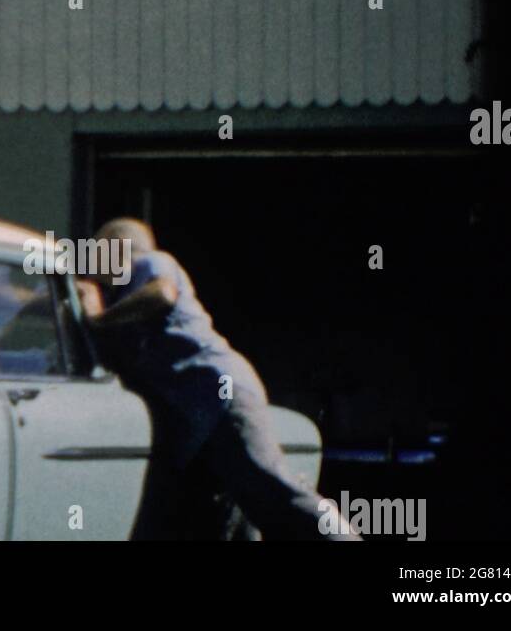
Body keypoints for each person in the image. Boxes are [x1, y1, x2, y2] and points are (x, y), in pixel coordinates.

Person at [77, 218, 358, 541]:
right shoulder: (122, 301)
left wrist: (99, 319)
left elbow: (163, 295)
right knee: (196, 519)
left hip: (220, 392)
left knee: (276, 493)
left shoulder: (152, 263)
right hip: (192, 417)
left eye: (98, 251)